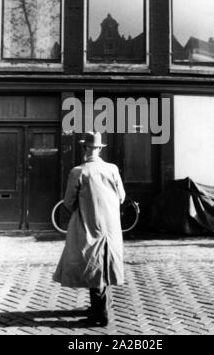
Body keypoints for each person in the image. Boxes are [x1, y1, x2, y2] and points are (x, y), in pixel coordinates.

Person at [53, 132, 126, 327]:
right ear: (100, 149)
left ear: (85, 148)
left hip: (89, 224)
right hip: (111, 227)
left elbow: (68, 202)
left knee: (93, 264)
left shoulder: (78, 171)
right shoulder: (112, 169)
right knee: (105, 262)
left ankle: (101, 315)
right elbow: (122, 197)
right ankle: (101, 306)